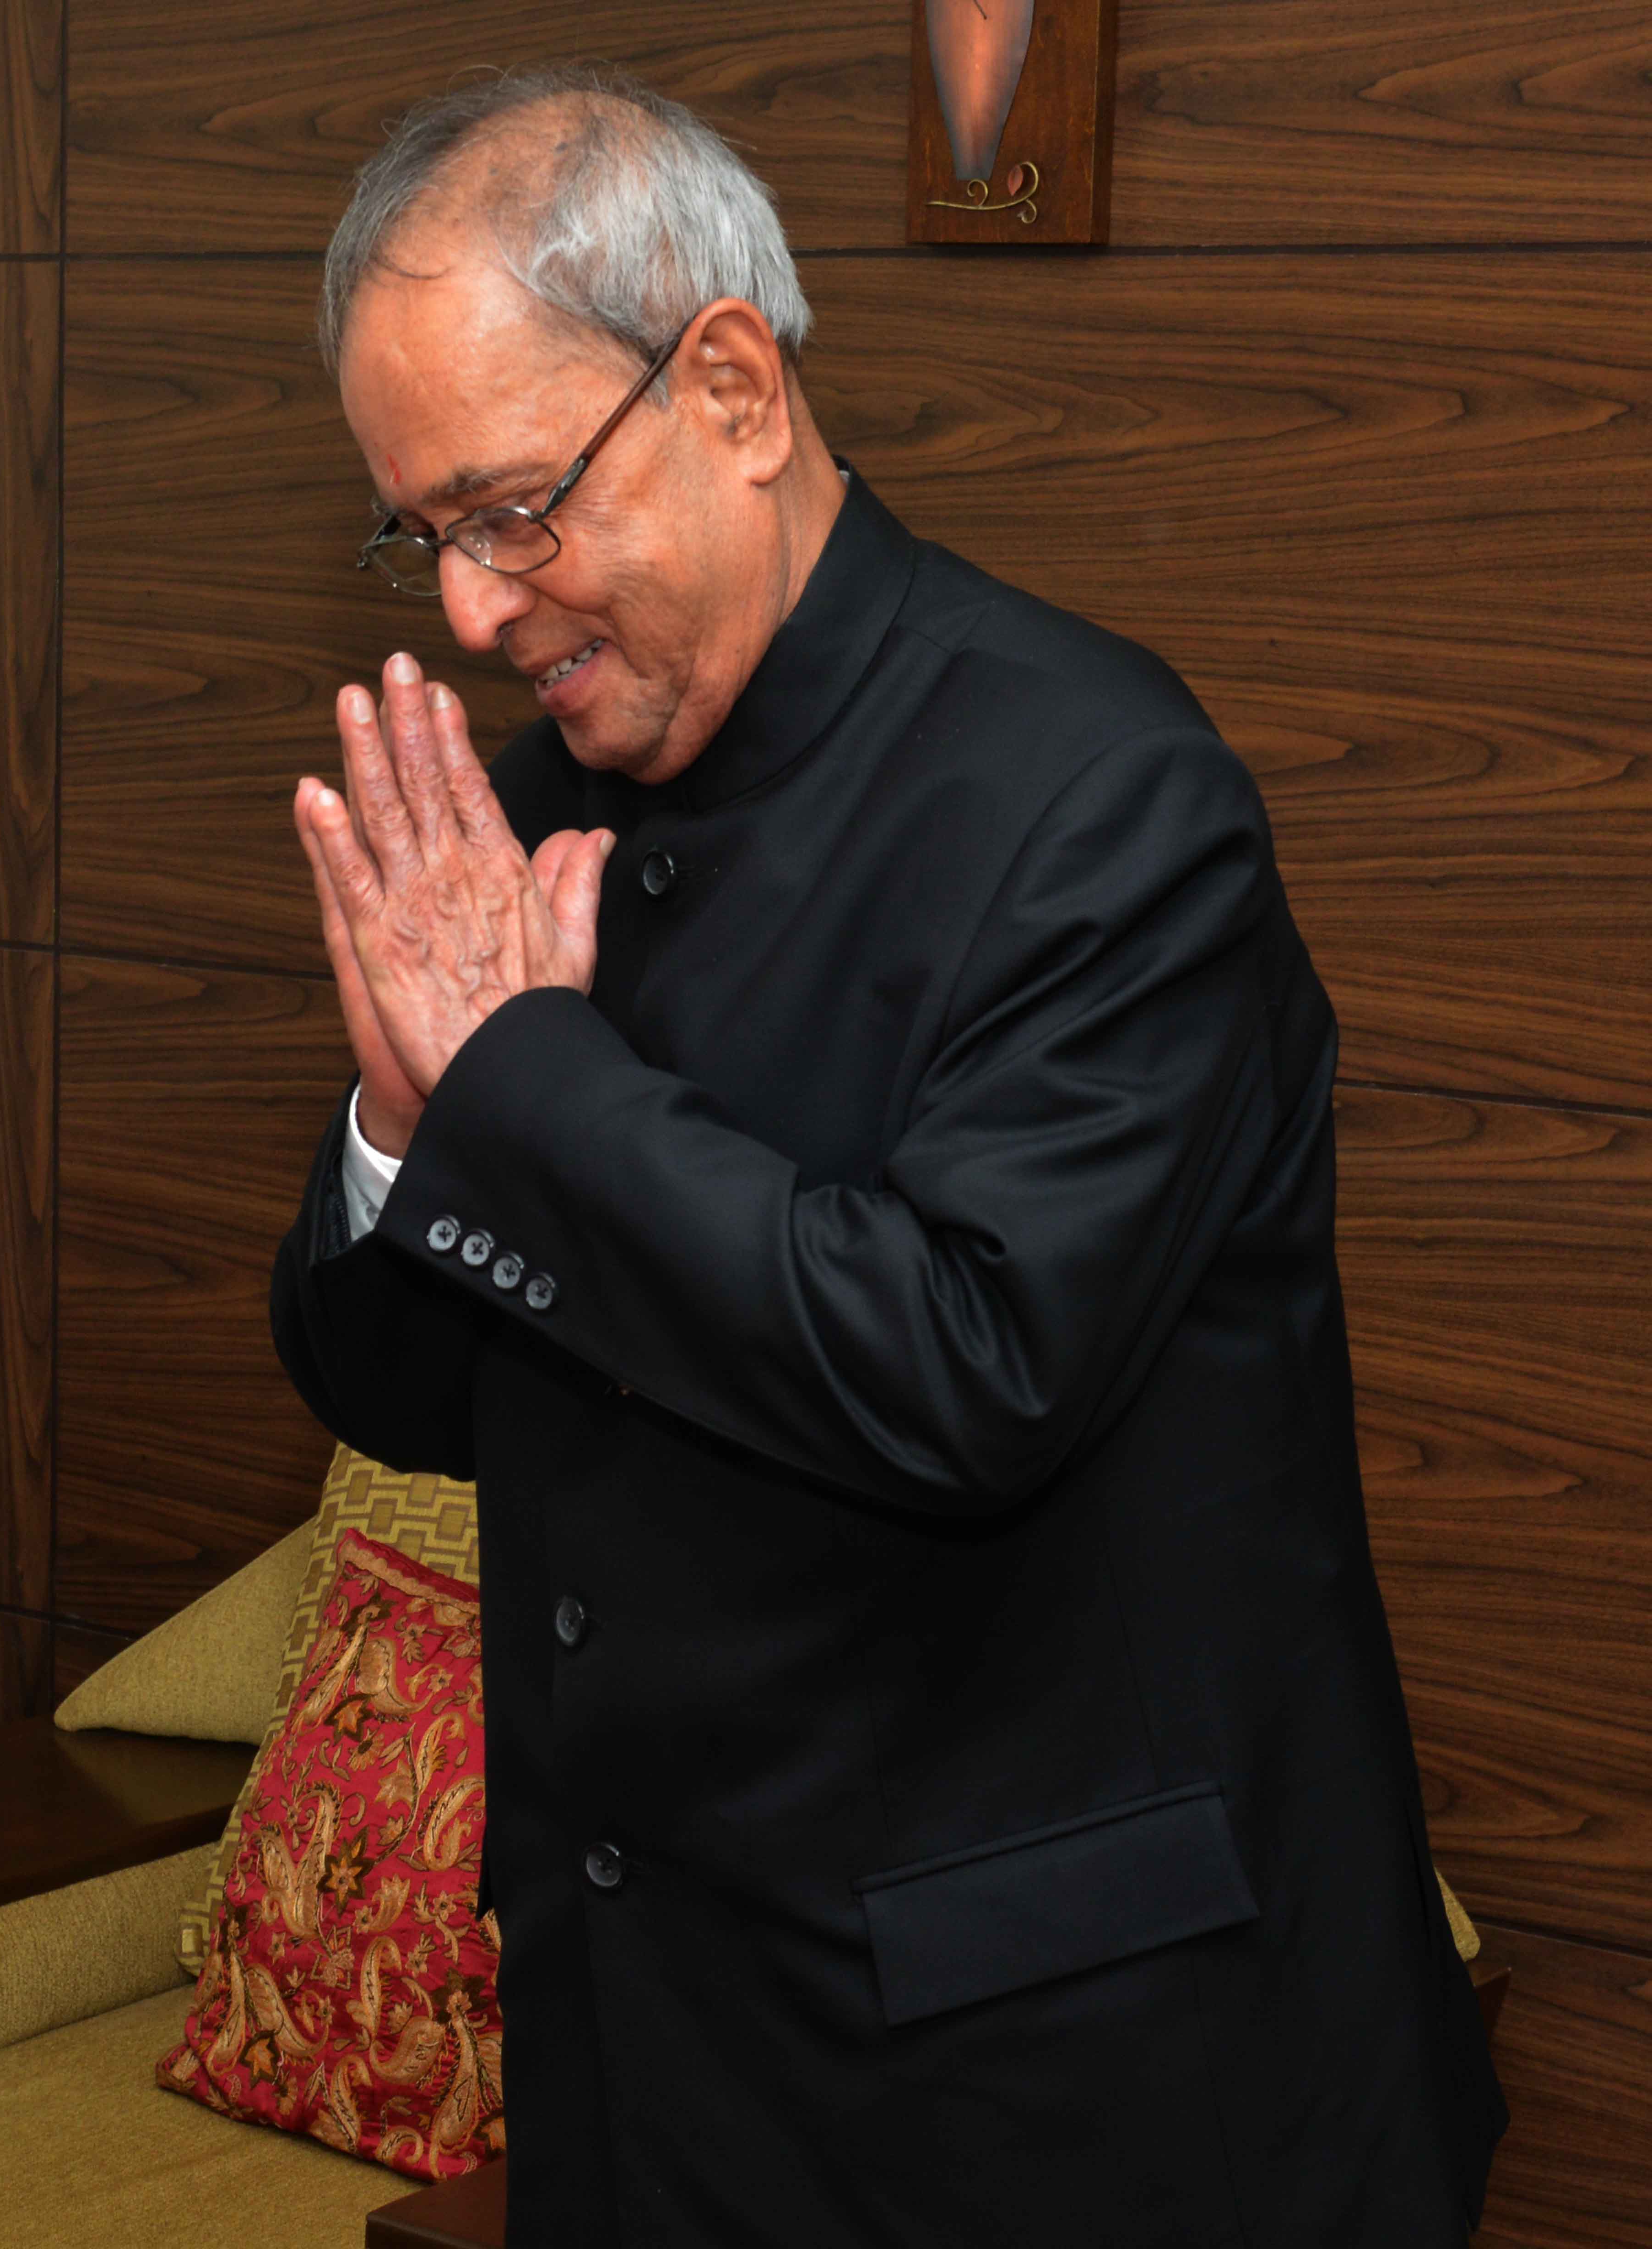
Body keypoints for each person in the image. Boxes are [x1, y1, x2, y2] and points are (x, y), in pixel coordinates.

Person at [271, 66, 1504, 2245]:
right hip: (647, 2050)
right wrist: (399, 1121)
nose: (471, 611)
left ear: (730, 385)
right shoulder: (546, 794)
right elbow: (409, 1390)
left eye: (511, 510)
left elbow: (966, 1369)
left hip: (1056, 2092)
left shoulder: (1102, 798)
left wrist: (520, 1081)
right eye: (422, 534)